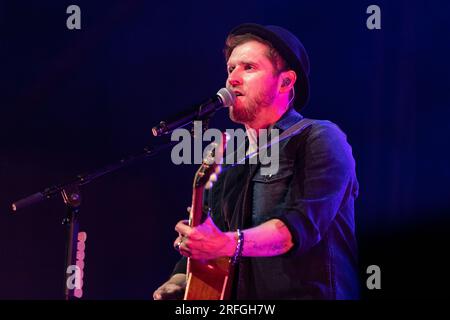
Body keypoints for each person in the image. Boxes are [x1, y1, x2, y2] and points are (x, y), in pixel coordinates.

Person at [153, 23, 360, 300]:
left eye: (248, 67)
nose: (232, 79)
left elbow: (298, 228)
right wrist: (179, 279)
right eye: (230, 69)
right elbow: (212, 235)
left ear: (285, 82)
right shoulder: (227, 155)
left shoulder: (319, 137)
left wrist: (225, 244)